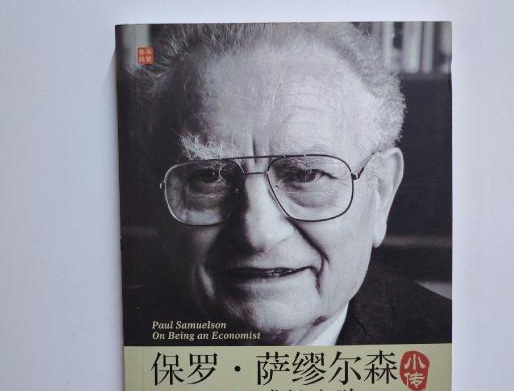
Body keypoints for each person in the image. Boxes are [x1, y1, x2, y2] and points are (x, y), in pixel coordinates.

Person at [124, 23, 450, 346]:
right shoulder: (112, 337)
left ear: (381, 191)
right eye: (210, 176)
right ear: (156, 195)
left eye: (305, 175)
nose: (257, 235)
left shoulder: (448, 342)